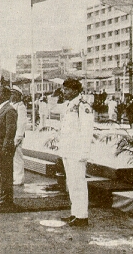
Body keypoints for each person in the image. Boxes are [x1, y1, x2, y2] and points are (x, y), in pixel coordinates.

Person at [49, 78, 94, 227]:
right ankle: (75, 213)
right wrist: (55, 95)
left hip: (77, 152)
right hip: (68, 150)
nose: (64, 92)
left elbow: (87, 131)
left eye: (67, 90)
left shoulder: (83, 106)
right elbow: (52, 108)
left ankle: (82, 216)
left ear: (75, 91)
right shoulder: (69, 105)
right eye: (64, 89)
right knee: (72, 183)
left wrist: (84, 153)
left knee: (79, 183)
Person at [10, 85, 27, 186]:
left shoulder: (21, 107)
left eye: (13, 94)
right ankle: (15, 177)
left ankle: (19, 178)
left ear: (18, 95)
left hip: (16, 136)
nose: (11, 95)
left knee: (17, 157)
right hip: (11, 135)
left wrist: (18, 138)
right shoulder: (13, 105)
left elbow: (21, 124)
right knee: (13, 158)